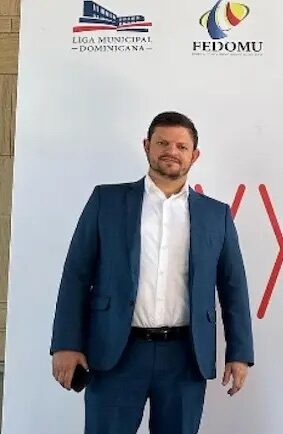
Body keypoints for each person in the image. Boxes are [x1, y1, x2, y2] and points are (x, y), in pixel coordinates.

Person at [49, 111, 254, 434]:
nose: (171, 151)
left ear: (194, 156)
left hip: (185, 357)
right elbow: (76, 275)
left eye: (181, 146)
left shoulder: (217, 215)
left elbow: (233, 289)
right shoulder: (107, 201)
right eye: (162, 143)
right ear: (147, 146)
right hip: (116, 352)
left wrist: (239, 353)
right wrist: (66, 343)